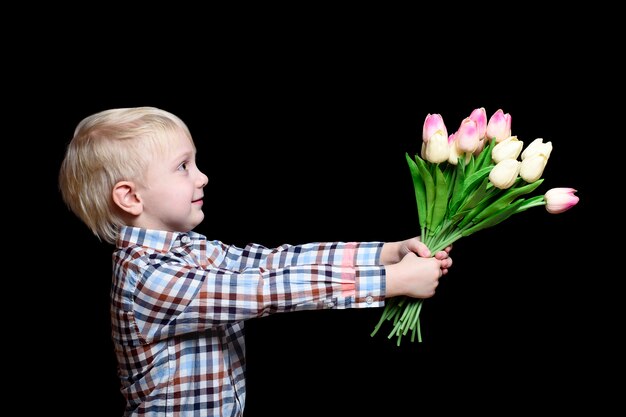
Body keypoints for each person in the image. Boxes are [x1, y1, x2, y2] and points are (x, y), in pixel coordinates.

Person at [58, 106, 452, 417]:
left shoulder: (188, 248)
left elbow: (271, 263)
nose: (203, 177)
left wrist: (387, 253)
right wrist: (389, 282)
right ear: (130, 198)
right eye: (183, 167)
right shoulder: (148, 279)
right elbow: (268, 291)